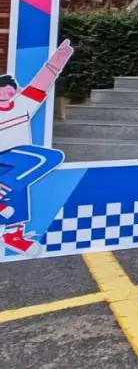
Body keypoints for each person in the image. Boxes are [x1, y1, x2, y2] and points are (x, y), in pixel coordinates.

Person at [0, 40, 73, 256]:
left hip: (18, 155)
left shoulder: (23, 104)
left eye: (8, 90)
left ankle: (13, 235)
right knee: (44, 160)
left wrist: (57, 62)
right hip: (6, 155)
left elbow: (41, 83)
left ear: (15, 91)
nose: (4, 94)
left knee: (20, 183)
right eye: (0, 91)